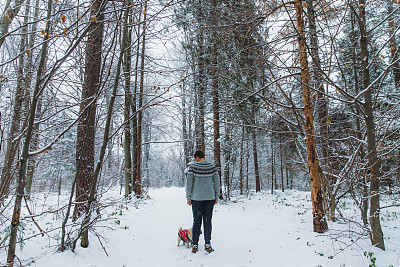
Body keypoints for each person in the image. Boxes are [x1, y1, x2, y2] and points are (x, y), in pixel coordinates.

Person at [185, 150, 220, 253]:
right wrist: (216, 196)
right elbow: (217, 183)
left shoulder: (193, 168)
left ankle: (195, 244)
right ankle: (208, 244)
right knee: (207, 221)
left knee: (197, 221)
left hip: (196, 199)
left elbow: (189, 184)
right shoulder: (212, 167)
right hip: (210, 198)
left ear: (196, 157)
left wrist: (188, 197)